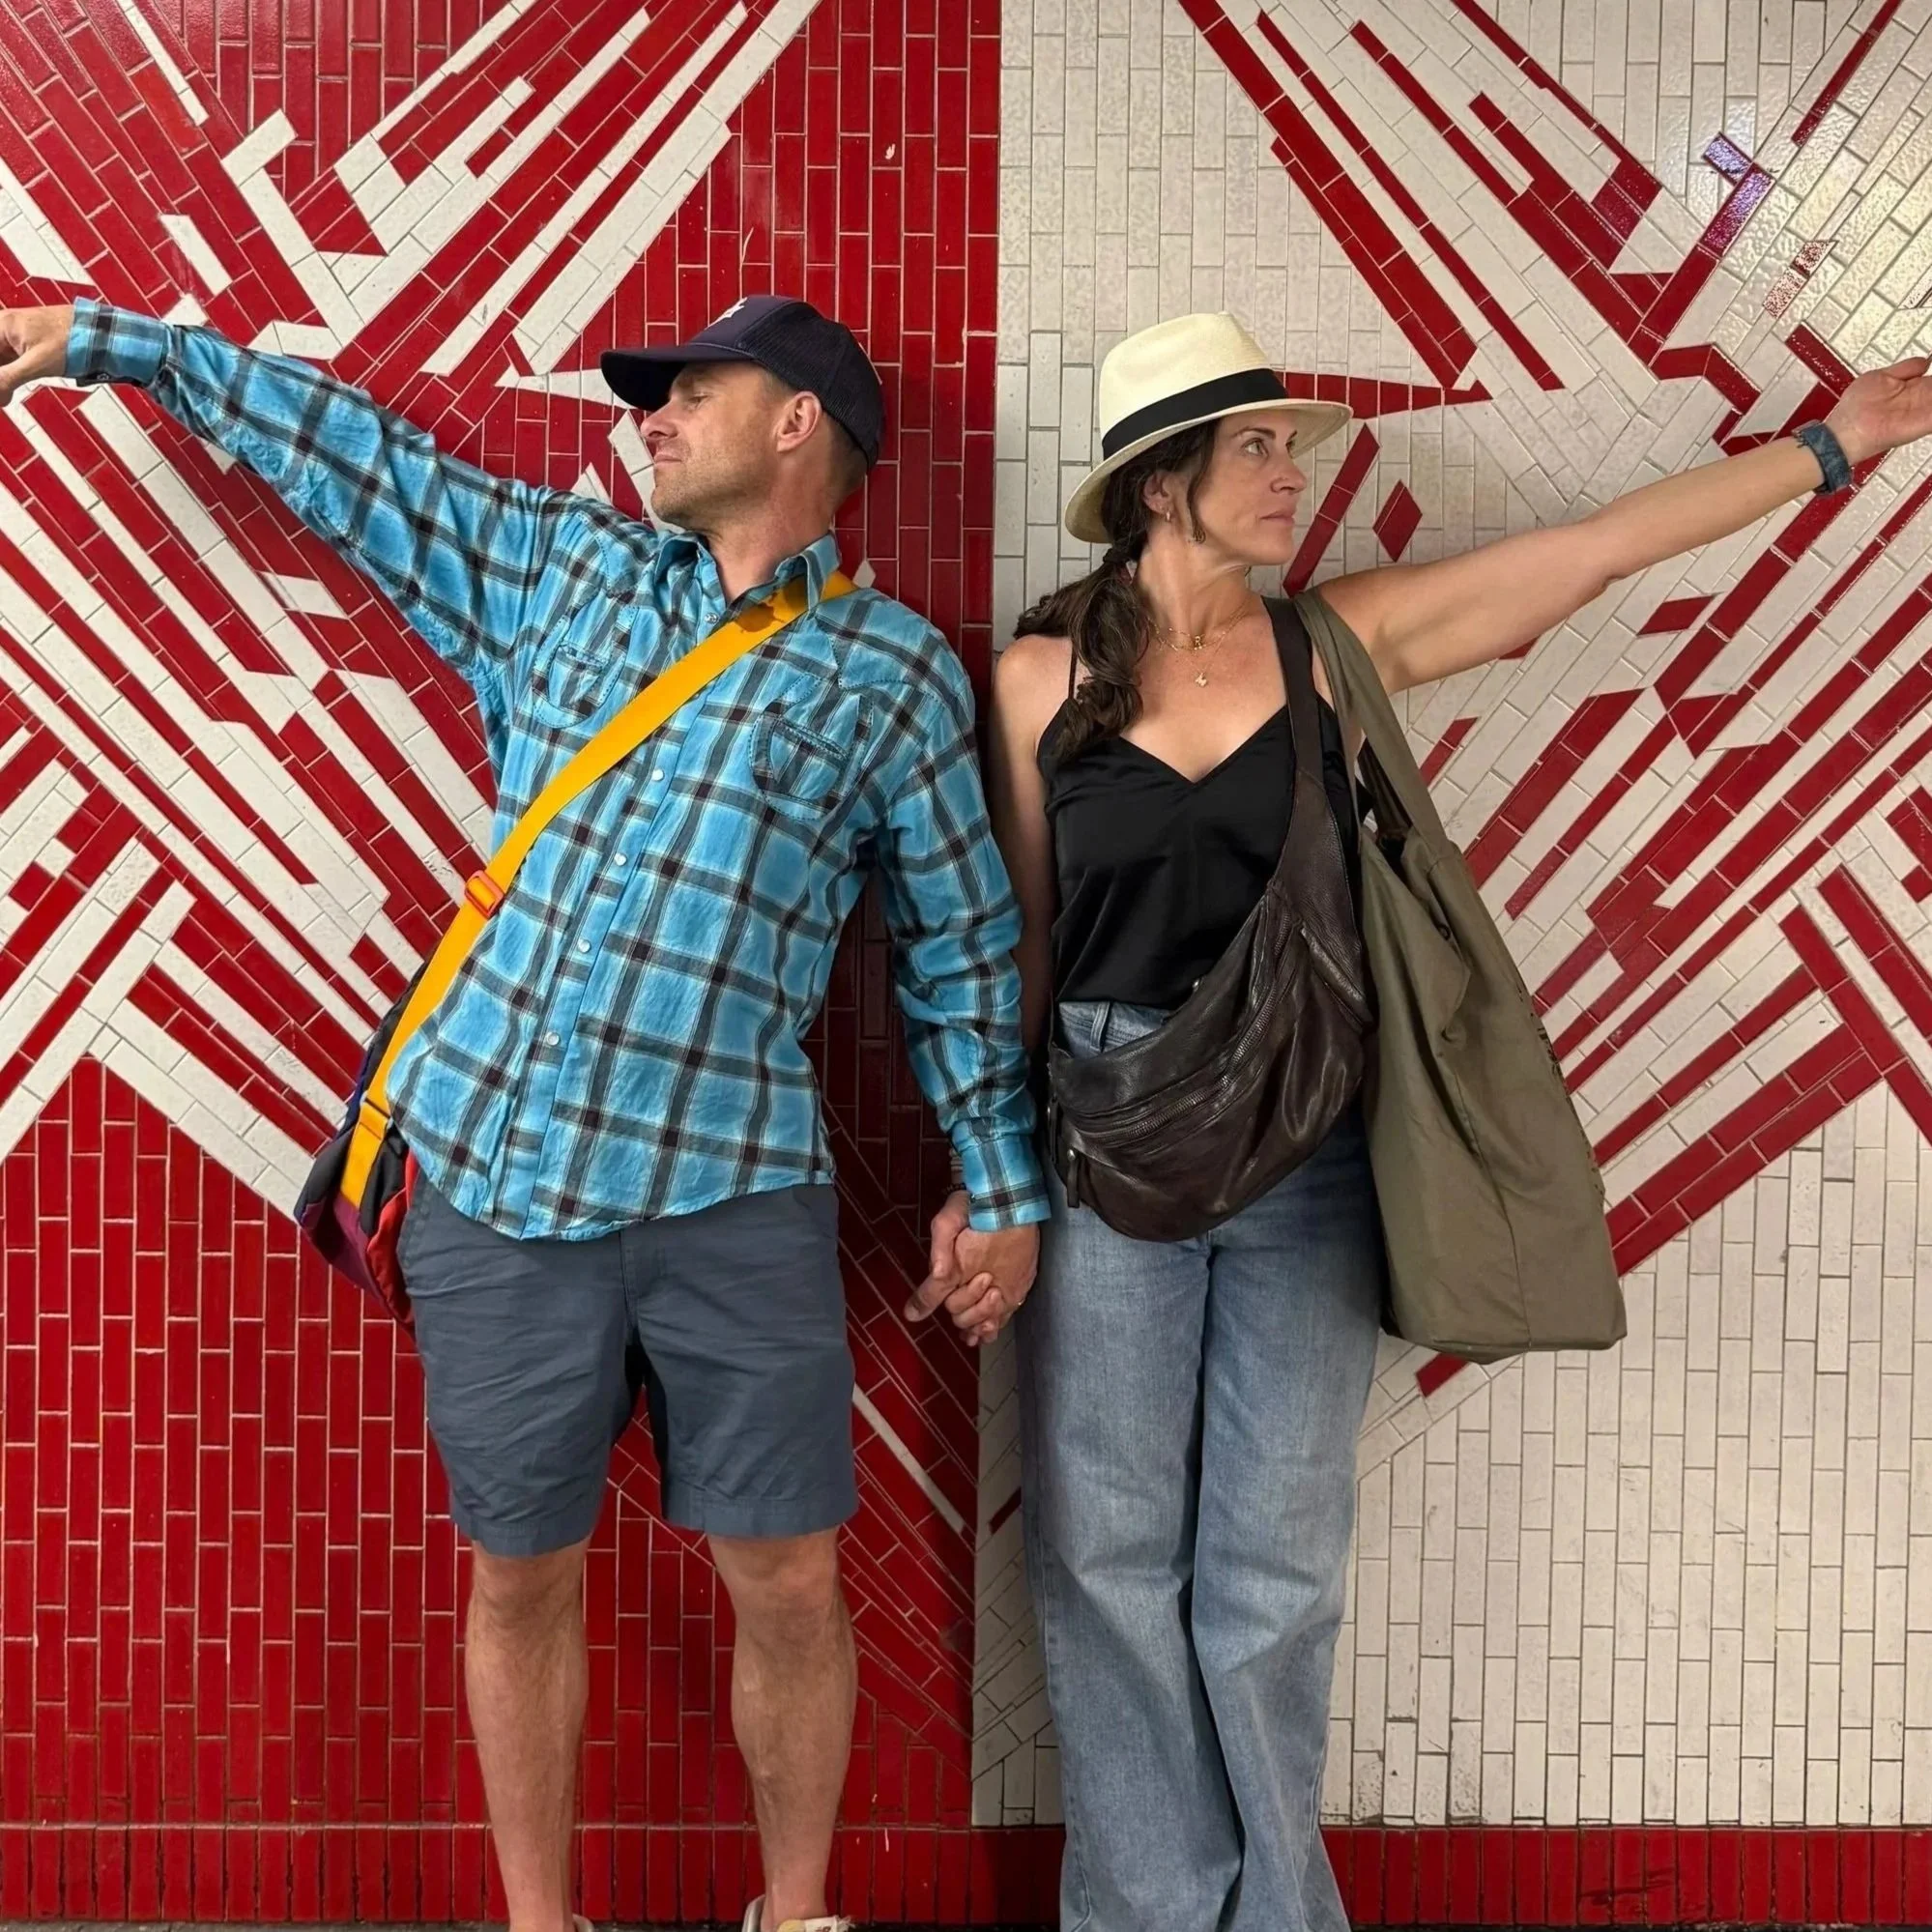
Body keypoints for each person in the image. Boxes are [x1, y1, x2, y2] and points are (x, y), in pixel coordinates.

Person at [0, 292, 1048, 1932]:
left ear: (799, 425)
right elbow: (350, 459)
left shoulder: (892, 675)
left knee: (784, 1575)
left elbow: (962, 943)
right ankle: (538, 1924)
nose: (650, 415)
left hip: (734, 1190)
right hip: (500, 1169)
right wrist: (127, 344)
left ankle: (794, 1910)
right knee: (517, 1570)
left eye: (690, 391)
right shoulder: (564, 575)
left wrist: (996, 1178)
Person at [928, 309, 1932, 1932]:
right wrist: (989, 1183)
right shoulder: (1039, 679)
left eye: (1283, 445)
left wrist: (1829, 450)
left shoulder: (1336, 645)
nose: (1289, 473)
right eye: (1256, 446)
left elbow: (1593, 551)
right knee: (1106, 1561)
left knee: (1270, 1570)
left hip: (1312, 1148)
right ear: (1160, 480)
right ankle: (1143, 1910)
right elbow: (1025, 956)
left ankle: (1275, 1914)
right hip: (1108, 1159)